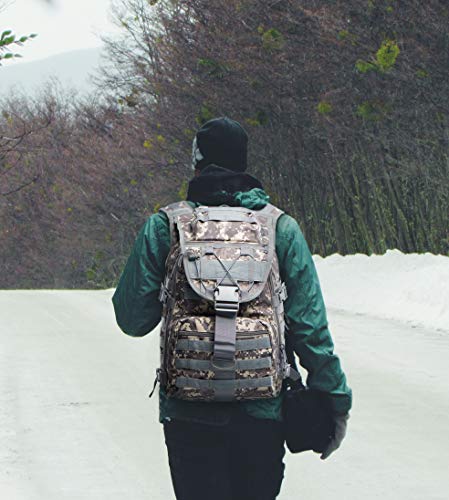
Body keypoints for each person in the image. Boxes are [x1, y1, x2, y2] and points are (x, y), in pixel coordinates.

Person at [112, 117, 352, 500]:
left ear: (197, 163)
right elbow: (310, 327)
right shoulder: (280, 228)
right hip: (262, 412)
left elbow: (132, 319)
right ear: (244, 162)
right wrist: (335, 399)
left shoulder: (165, 226)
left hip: (188, 413)